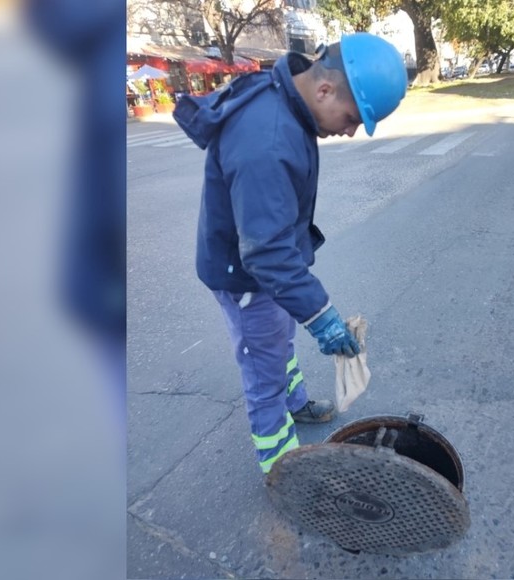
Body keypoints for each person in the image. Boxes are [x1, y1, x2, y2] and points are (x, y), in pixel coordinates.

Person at [173, 33, 407, 474]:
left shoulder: (286, 102)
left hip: (262, 269)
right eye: (352, 117)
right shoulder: (270, 138)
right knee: (264, 373)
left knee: (279, 334)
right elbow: (265, 253)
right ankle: (281, 468)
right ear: (324, 90)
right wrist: (321, 315)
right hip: (245, 275)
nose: (351, 130)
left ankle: (296, 401)